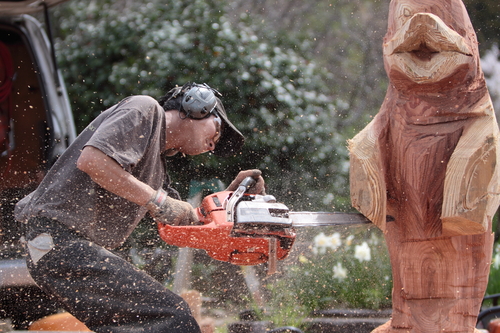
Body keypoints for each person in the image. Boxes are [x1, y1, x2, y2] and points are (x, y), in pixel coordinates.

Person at [14, 82, 265, 333]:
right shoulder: (145, 108)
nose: (213, 146)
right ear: (196, 105)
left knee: (148, 322)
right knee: (170, 318)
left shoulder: (155, 169)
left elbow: (190, 219)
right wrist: (159, 201)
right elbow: (92, 160)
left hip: (67, 247)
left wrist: (232, 200)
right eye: (217, 131)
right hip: (57, 241)